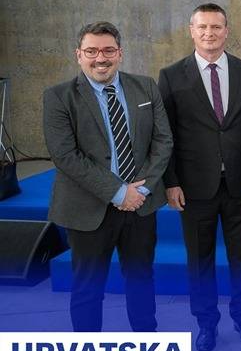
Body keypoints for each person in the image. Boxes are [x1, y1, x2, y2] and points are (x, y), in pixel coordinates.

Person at [42, 22, 173, 332]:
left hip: (141, 204)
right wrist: (119, 192)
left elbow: (163, 141)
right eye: (91, 51)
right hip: (87, 208)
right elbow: (65, 156)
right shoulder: (59, 97)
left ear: (120, 53)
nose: (100, 58)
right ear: (78, 55)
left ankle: (146, 344)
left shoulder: (146, 87)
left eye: (108, 50)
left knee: (141, 279)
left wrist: (141, 190)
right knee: (88, 287)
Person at [159, 3, 241, 351]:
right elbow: (166, 135)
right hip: (194, 187)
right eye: (203, 27)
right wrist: (171, 181)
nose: (209, 33)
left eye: (216, 27)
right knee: (200, 260)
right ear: (191, 31)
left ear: (226, 31)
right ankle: (206, 323)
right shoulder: (171, 76)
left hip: (240, 183)